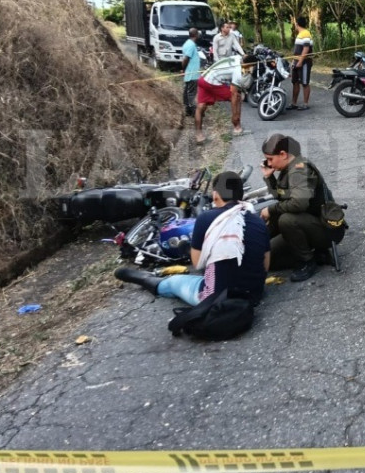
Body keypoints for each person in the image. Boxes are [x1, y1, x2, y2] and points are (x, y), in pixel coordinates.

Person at [115, 171, 271, 306]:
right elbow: (265, 265)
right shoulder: (258, 221)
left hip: (217, 299)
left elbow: (197, 263)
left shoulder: (205, 219)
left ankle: (148, 280)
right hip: (254, 293)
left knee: (174, 283)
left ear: (215, 195)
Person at [259, 133, 336, 283]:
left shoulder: (299, 171)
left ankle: (308, 260)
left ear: (283, 154)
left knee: (285, 221)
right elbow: (281, 197)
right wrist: (269, 177)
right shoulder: (289, 167)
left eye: (270, 159)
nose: (269, 163)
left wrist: (271, 210)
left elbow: (298, 204)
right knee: (264, 253)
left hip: (325, 229)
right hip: (307, 222)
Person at [195, 57, 253, 143]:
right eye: (250, 66)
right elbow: (233, 94)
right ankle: (237, 128)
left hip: (202, 79)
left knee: (201, 106)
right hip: (211, 82)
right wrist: (234, 116)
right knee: (237, 97)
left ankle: (199, 135)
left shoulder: (237, 57)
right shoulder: (237, 71)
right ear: (247, 64)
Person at [289, 16, 313, 110]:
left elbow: (306, 49)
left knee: (305, 83)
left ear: (297, 24)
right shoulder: (300, 34)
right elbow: (297, 50)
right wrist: (293, 61)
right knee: (295, 82)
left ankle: (305, 104)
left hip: (304, 62)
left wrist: (300, 61)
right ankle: (294, 103)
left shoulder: (306, 33)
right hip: (296, 61)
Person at [181, 28, 202, 118]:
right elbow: (186, 58)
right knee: (191, 94)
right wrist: (183, 69)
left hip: (190, 73)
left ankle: (188, 110)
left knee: (187, 92)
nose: (199, 35)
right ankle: (194, 112)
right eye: (198, 33)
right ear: (195, 35)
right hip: (192, 73)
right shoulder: (191, 45)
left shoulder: (188, 43)